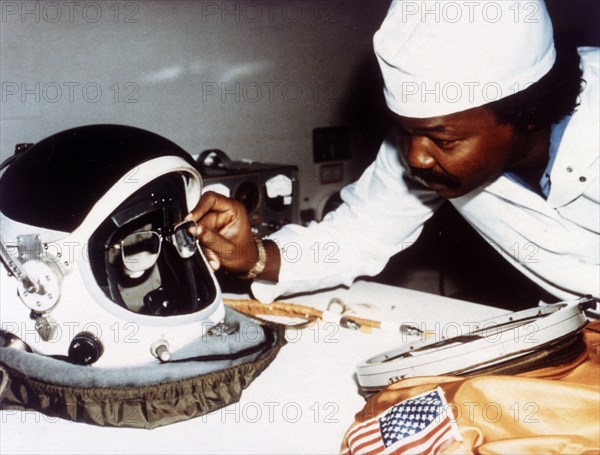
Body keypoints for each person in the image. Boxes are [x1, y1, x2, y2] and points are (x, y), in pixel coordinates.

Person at [187, 0, 599, 305]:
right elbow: (358, 234)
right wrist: (255, 255)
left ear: (527, 114)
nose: (416, 157)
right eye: (405, 131)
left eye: (443, 139)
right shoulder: (422, 145)